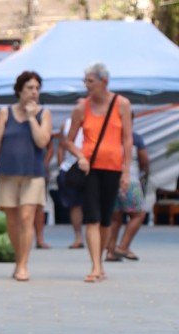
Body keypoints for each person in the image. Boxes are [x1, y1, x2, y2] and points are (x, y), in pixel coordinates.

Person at [65, 63, 133, 283]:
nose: (87, 86)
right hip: (90, 169)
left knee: (106, 219)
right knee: (92, 217)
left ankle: (100, 262)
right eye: (85, 81)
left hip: (113, 168)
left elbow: (127, 139)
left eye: (90, 81)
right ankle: (95, 266)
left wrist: (126, 171)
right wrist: (81, 157)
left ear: (104, 82)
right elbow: (68, 141)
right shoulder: (81, 108)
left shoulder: (121, 104)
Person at [0, 71, 52, 282]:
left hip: (33, 174)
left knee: (26, 217)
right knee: (12, 221)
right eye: (30, 88)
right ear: (19, 91)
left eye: (37, 88)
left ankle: (23, 265)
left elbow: (43, 141)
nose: (34, 92)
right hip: (8, 173)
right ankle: (18, 259)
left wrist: (32, 117)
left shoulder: (44, 113)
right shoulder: (5, 113)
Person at [106, 126, 148, 262]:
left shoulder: (108, 136)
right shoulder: (134, 137)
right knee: (139, 214)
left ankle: (110, 252)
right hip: (129, 180)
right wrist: (143, 174)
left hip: (111, 179)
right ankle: (123, 246)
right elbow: (144, 160)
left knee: (115, 218)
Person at [56, 115, 85, 249]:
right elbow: (62, 145)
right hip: (71, 168)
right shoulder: (66, 123)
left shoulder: (97, 120)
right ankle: (78, 237)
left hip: (92, 165)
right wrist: (61, 165)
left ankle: (101, 238)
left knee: (96, 203)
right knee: (75, 204)